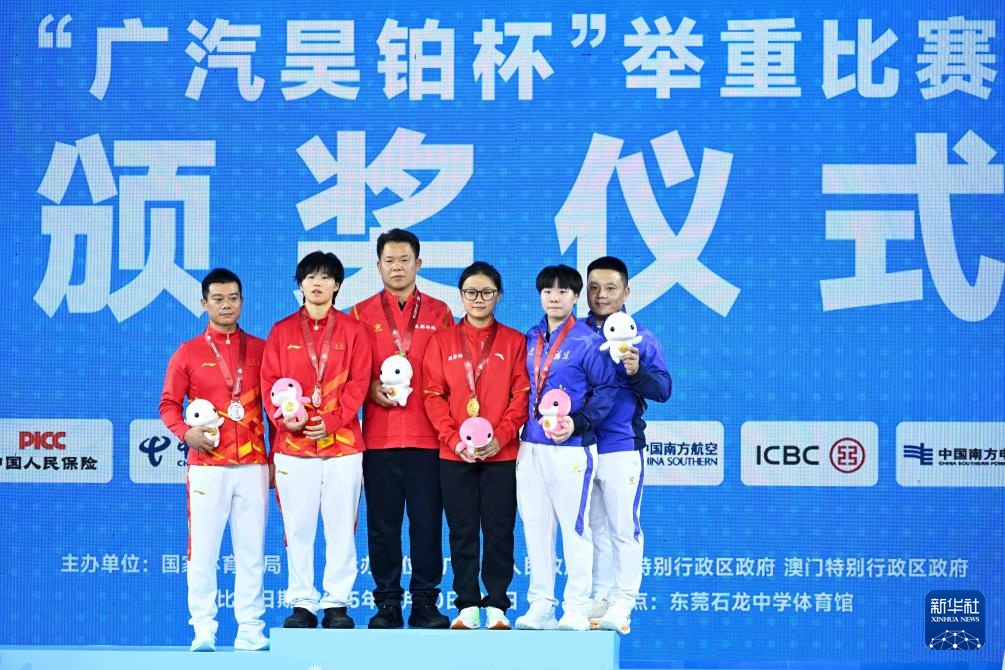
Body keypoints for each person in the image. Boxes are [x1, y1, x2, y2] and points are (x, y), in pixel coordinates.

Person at [159, 268, 270, 652]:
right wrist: (184, 433)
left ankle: (250, 628)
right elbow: (168, 404)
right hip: (207, 466)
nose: (226, 305)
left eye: (233, 298)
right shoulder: (188, 352)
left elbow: (276, 408)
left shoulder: (261, 350)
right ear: (203, 303)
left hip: (253, 464)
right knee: (203, 550)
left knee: (251, 551)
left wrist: (274, 459)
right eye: (218, 299)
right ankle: (203, 628)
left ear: (243, 301)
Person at [260, 251, 371, 630]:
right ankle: (302, 602)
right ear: (300, 284)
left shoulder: (354, 331)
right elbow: (268, 385)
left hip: (342, 446)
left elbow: (359, 383)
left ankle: (337, 602)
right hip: (294, 447)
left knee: (341, 527)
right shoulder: (282, 331)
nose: (317, 283)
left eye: (325, 277)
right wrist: (287, 422)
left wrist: (333, 422)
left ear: (337, 284)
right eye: (310, 277)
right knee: (298, 527)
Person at [351, 229, 454, 629]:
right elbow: (349, 373)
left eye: (404, 260)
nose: (397, 267)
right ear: (378, 266)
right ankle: (388, 604)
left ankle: (425, 602)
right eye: (389, 261)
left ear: (419, 264)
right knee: (383, 526)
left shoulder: (440, 312)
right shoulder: (359, 314)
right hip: (378, 439)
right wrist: (368, 389)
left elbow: (450, 374)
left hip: (429, 438)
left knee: (427, 524)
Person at [423, 262, 530, 631]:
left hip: (502, 454)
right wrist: (454, 440)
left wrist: (501, 436)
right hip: (455, 455)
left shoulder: (515, 342)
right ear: (461, 295)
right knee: (462, 530)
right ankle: (467, 603)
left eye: (486, 292)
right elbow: (433, 396)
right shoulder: (442, 341)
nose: (479, 299)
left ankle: (497, 604)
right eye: (471, 292)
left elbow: (521, 395)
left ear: (499, 295)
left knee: (499, 530)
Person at [514, 264, 617, 632]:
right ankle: (541, 606)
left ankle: (575, 607)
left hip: (572, 447)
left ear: (576, 297)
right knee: (536, 527)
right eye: (547, 291)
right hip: (531, 447)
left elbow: (606, 391)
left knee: (575, 530)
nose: (554, 298)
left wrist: (578, 422)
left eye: (562, 291)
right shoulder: (530, 337)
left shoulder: (589, 340)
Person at [584, 256, 672, 634]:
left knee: (623, 527)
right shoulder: (575, 335)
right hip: (580, 447)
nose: (601, 295)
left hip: (621, 444)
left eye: (610, 288)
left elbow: (663, 390)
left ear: (626, 292)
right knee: (593, 528)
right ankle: (601, 595)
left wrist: (636, 371)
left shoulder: (642, 338)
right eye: (594, 288)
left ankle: (623, 602)